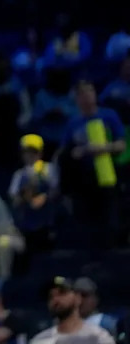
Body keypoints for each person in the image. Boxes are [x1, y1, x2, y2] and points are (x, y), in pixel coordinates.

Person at [65, 81, 125, 248]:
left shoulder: (109, 115)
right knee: (87, 221)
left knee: (110, 218)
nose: (87, 97)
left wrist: (102, 148)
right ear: (77, 99)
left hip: (108, 173)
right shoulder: (73, 123)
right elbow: (68, 151)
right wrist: (81, 151)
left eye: (89, 92)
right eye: (82, 94)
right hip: (84, 177)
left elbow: (122, 145)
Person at [7, 135, 56, 265]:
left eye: (33, 152)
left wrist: (43, 197)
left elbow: (56, 190)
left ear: (40, 153)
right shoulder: (19, 174)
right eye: (26, 152)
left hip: (47, 221)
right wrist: (26, 195)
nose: (30, 156)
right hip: (28, 223)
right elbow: (14, 197)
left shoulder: (49, 169)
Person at [31, 277, 115, 344]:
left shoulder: (97, 337)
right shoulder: (40, 340)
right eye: (51, 296)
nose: (56, 299)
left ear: (78, 298)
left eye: (62, 293)